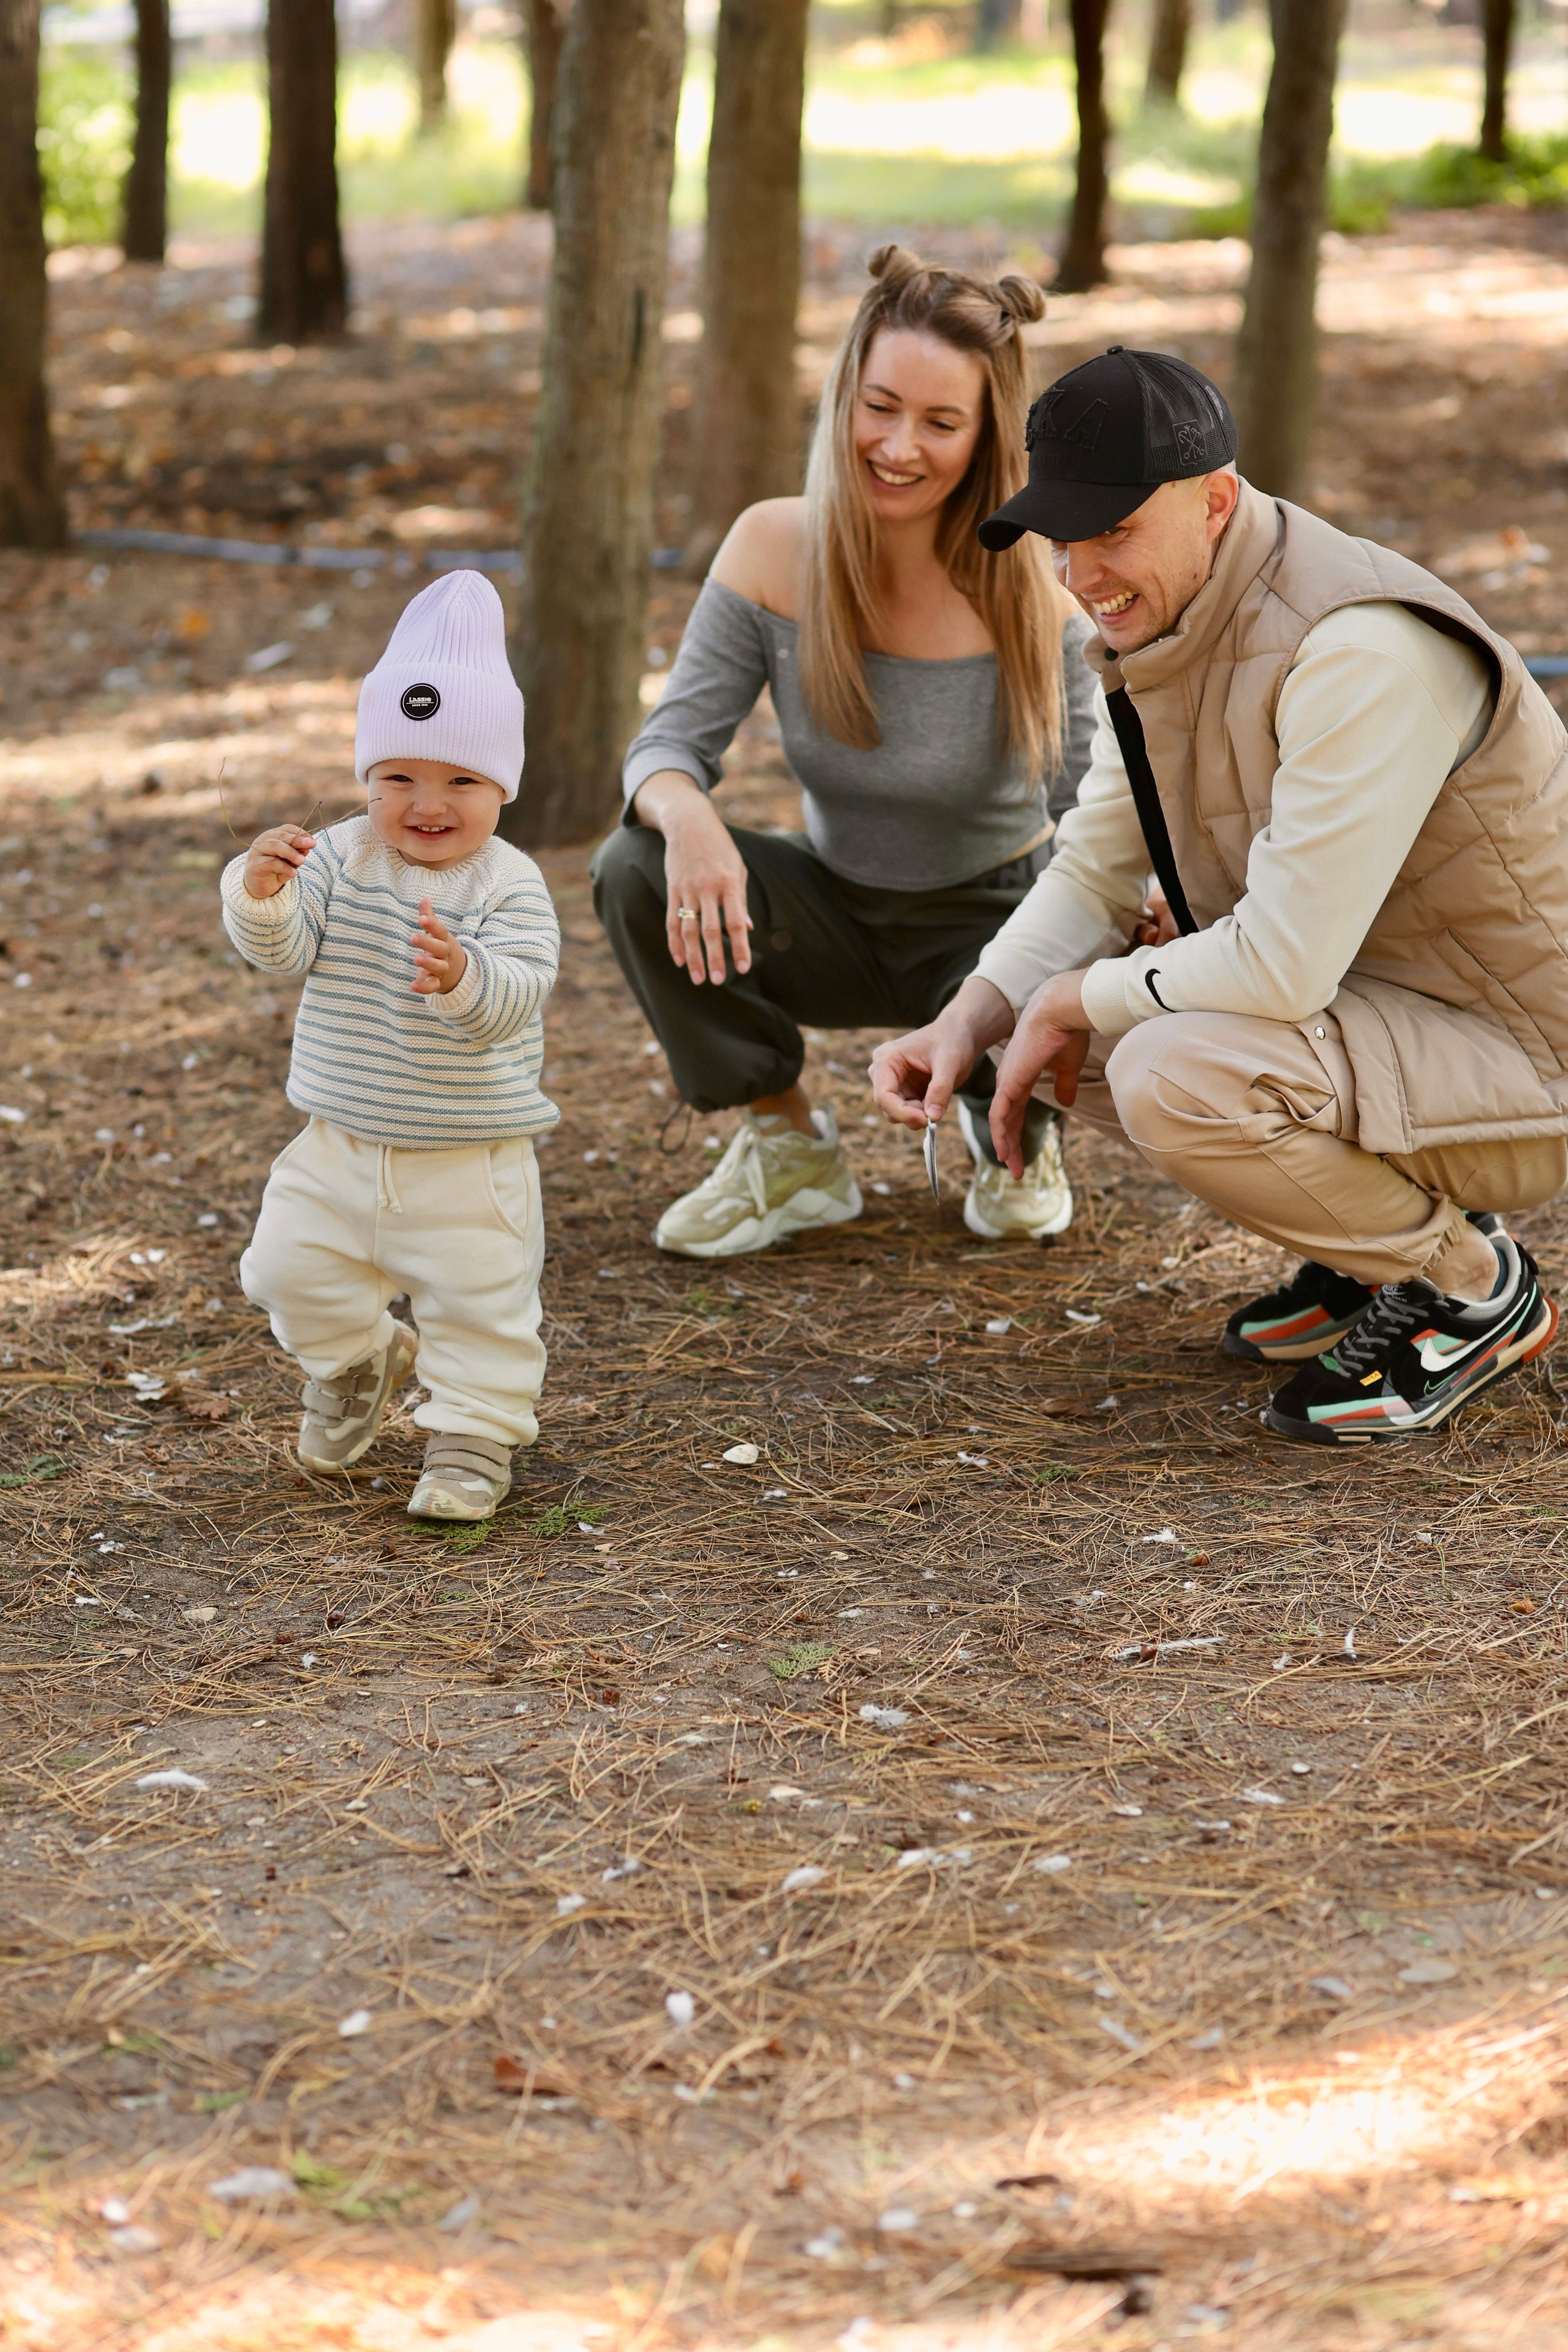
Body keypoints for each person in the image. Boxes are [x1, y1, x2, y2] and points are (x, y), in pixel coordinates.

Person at [872, 345, 1567, 1444]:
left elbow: (1284, 965)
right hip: (1392, 1021)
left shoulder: (1359, 649)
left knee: (1163, 1064)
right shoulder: (1167, 619)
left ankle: (1471, 1288)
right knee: (1059, 1032)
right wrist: (973, 1016)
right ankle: (1368, 1246)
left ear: (1215, 501)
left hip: (1528, 1062)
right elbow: (1095, 869)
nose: (1080, 573)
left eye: (1113, 531)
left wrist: (1071, 996)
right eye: (1061, 537)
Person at [591, 244, 1098, 1258]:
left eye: (940, 422)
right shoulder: (773, 548)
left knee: (1096, 920)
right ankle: (788, 1148)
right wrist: (688, 816)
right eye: (881, 407)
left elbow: (1096, 815)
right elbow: (667, 744)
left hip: (992, 929)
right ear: (845, 400)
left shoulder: (1043, 588)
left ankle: (1011, 1126)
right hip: (833, 911)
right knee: (635, 866)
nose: (899, 446)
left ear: (986, 435)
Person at [221, 571, 560, 1518]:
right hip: (338, 1141)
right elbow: (283, 952)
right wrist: (261, 894)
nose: (428, 803)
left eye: (462, 780)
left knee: (481, 1308)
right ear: (367, 779)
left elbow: (519, 993)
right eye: (399, 778)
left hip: (467, 1159)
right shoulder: (338, 856)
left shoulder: (509, 884)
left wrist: (463, 976)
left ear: (502, 785)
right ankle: (355, 1363)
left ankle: (472, 1438)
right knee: (283, 1269)